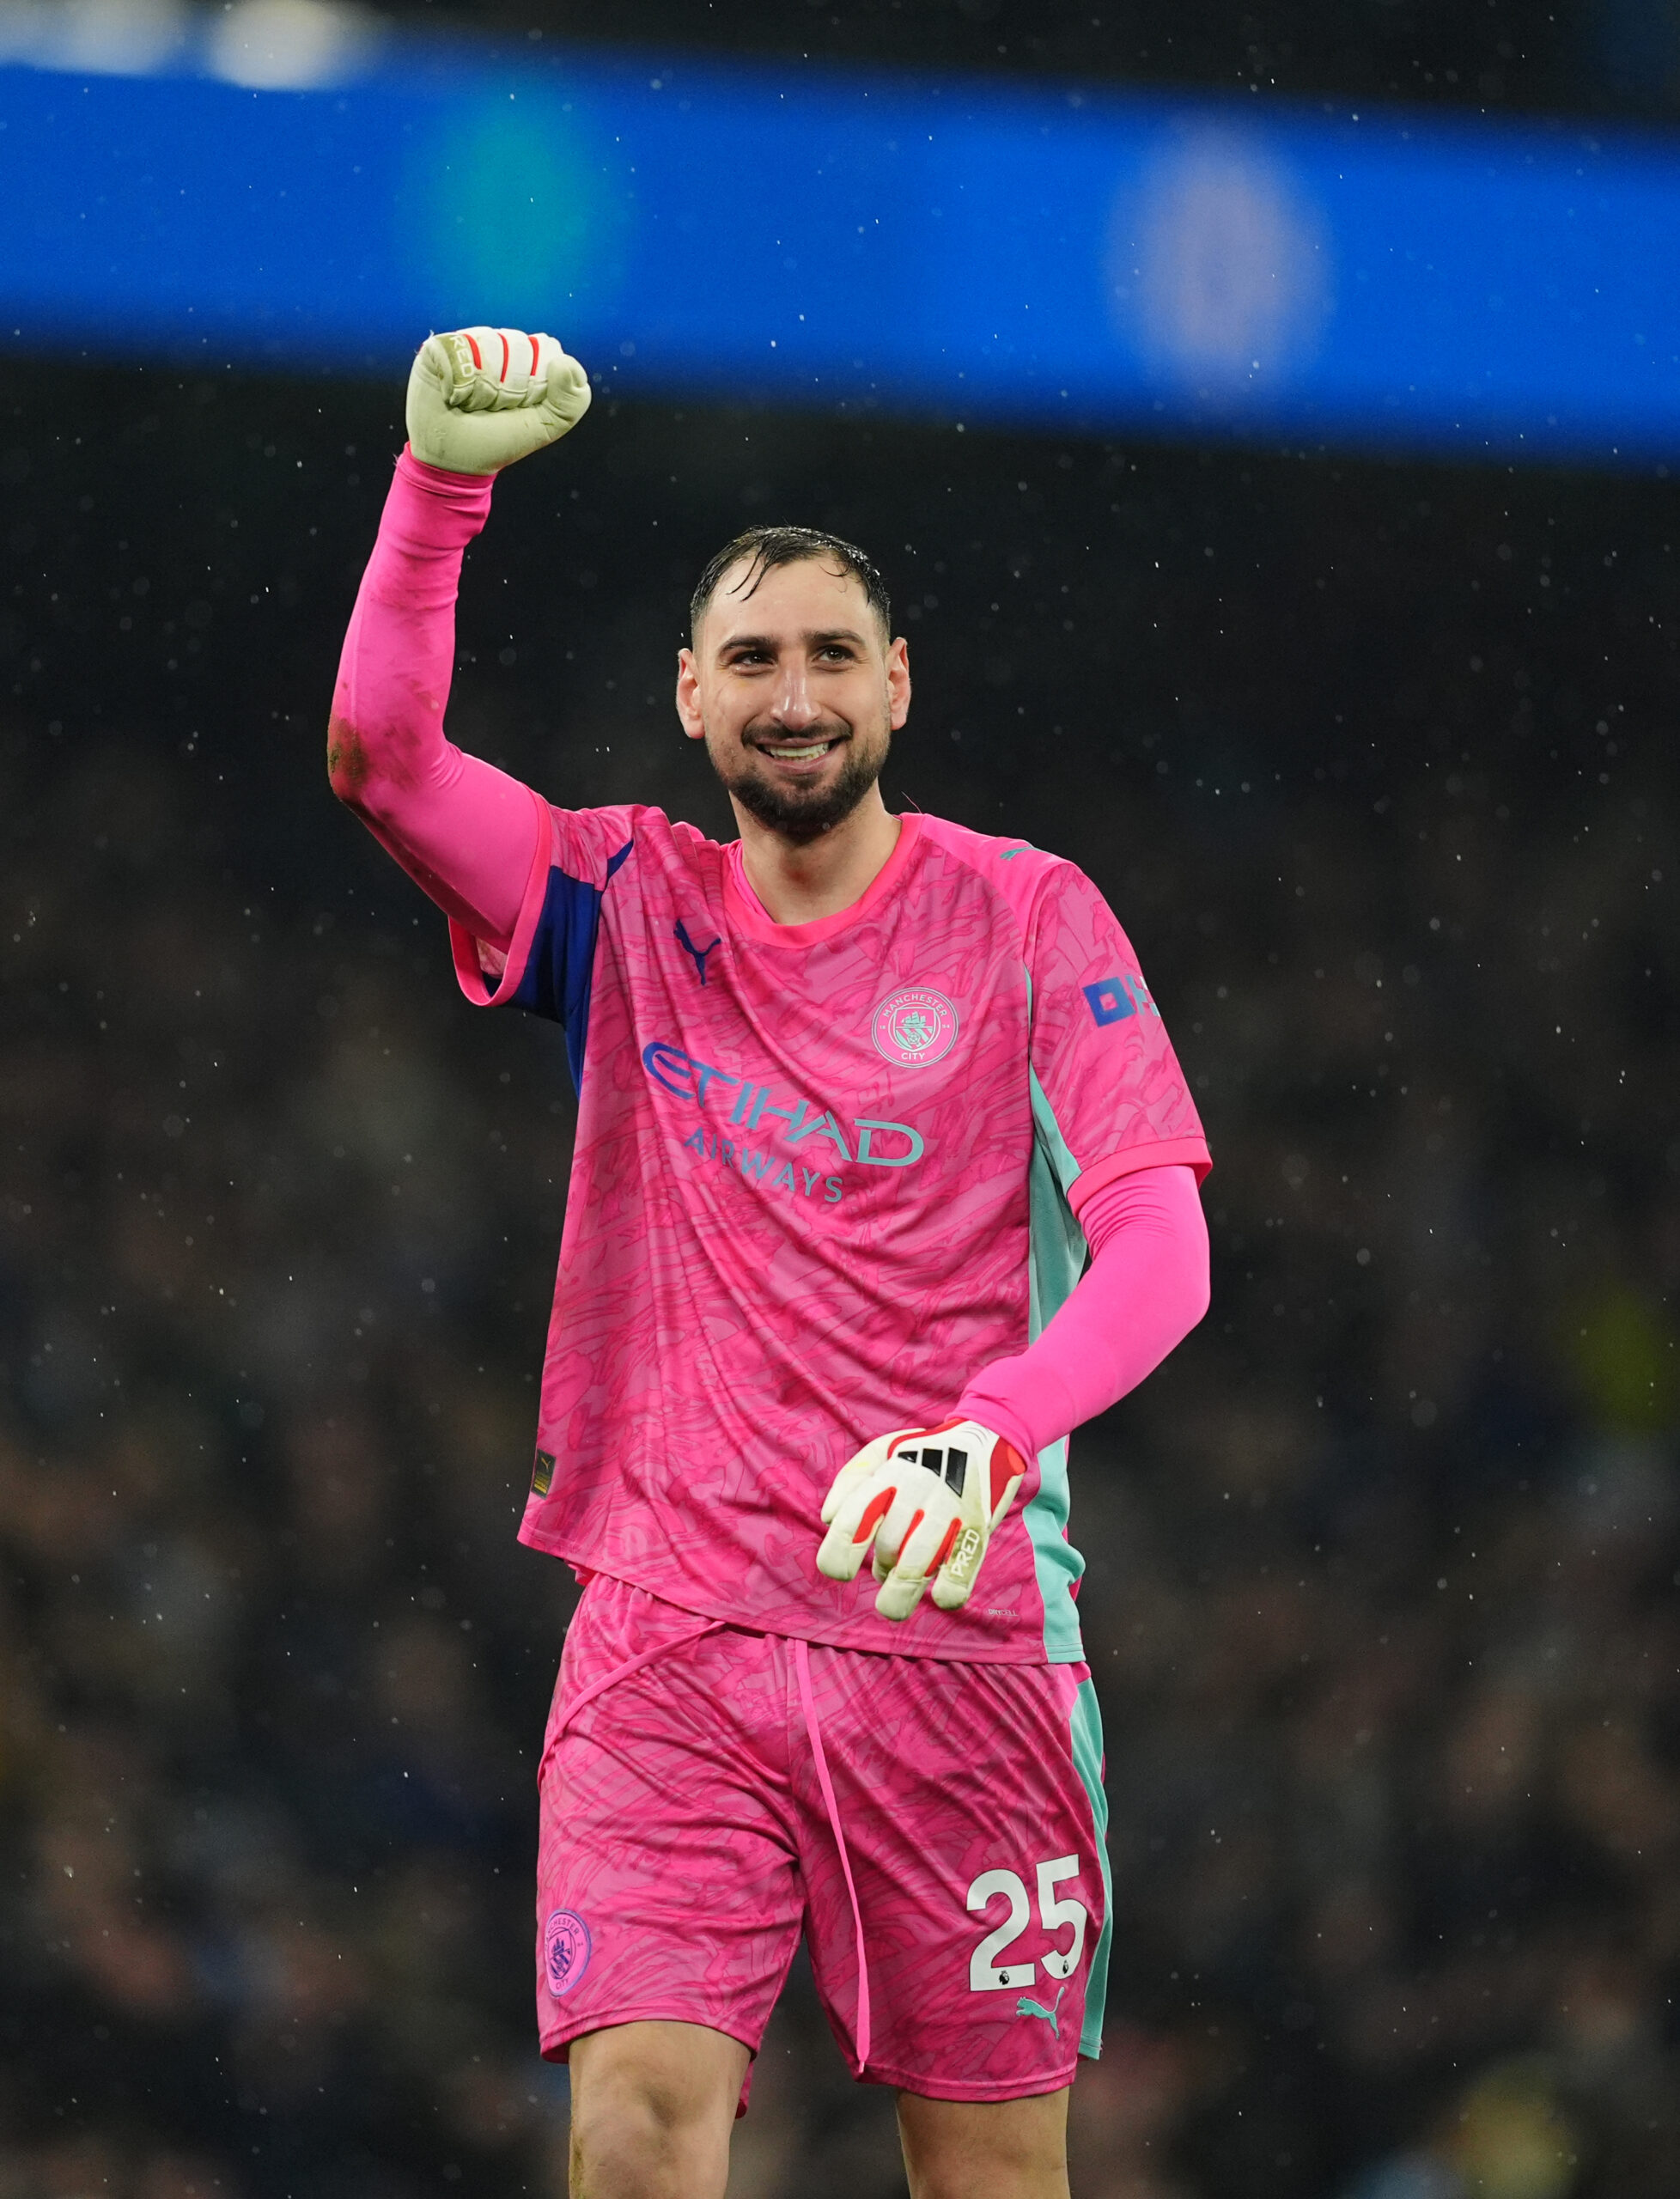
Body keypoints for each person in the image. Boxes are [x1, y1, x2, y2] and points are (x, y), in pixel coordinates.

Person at [327, 326, 1212, 2199]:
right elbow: (384, 760)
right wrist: (435, 494)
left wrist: (991, 1428)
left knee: (990, 2177)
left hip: (963, 1641)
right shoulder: (618, 899)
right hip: (671, 1633)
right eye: (751, 659)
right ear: (690, 699)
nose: (792, 691)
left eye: (828, 655)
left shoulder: (1029, 913)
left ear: (899, 686)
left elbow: (1162, 1240)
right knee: (637, 2133)